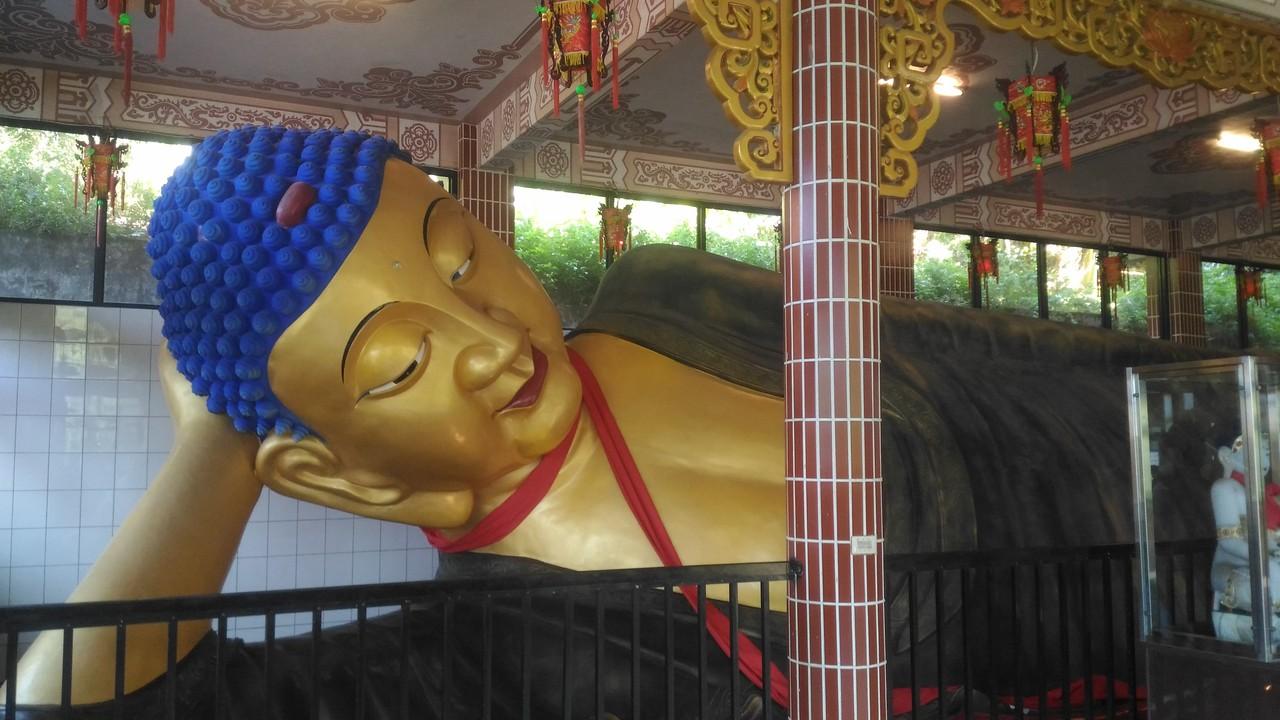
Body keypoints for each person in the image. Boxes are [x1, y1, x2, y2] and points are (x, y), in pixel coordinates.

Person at [8, 126, 1223, 717]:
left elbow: (969, 346)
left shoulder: (667, 293)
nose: (491, 340)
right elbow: (78, 706)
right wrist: (219, 445)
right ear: (339, 476)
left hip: (1184, 485)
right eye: (400, 366)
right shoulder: (478, 662)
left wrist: (1213, 388)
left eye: (461, 257)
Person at [1209, 435, 1280, 644]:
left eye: (1266, 448)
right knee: (1273, 573)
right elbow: (1229, 542)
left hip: (1267, 560)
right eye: (1257, 447)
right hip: (1233, 566)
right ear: (1228, 455)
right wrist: (1267, 555)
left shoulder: (1263, 494)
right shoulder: (1224, 488)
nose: (1264, 452)